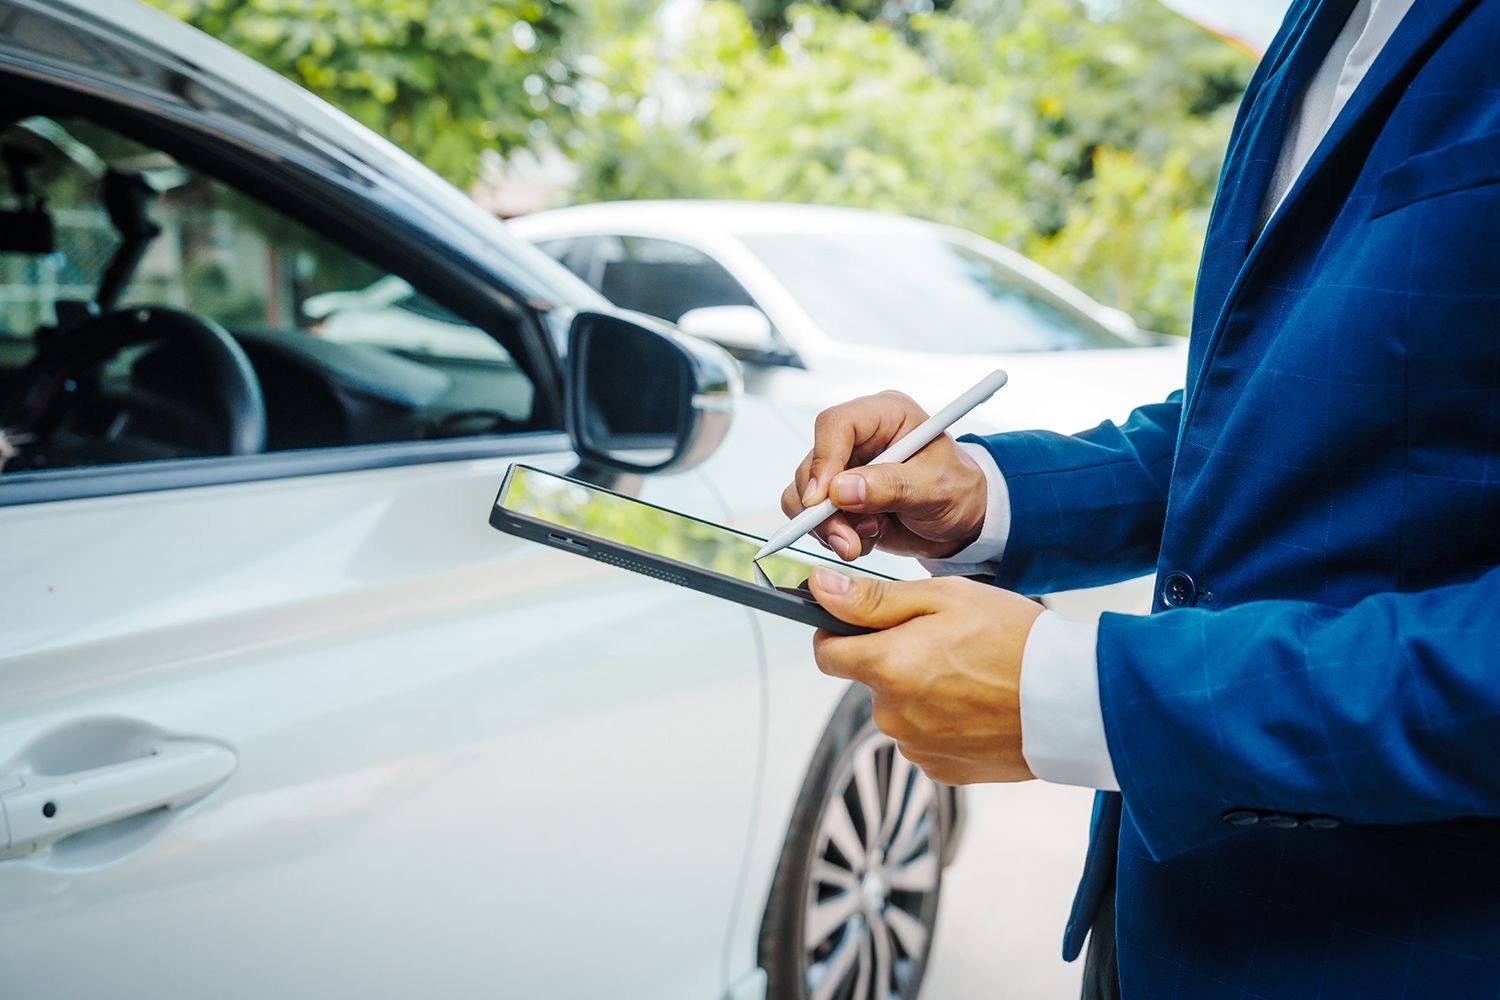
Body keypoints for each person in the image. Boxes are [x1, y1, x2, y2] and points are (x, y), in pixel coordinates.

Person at [780, 0, 1500, 995]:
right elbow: (1267, 416)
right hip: (1156, 928)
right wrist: (990, 496)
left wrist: (1102, 702)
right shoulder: (1316, 25)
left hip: (1398, 952)